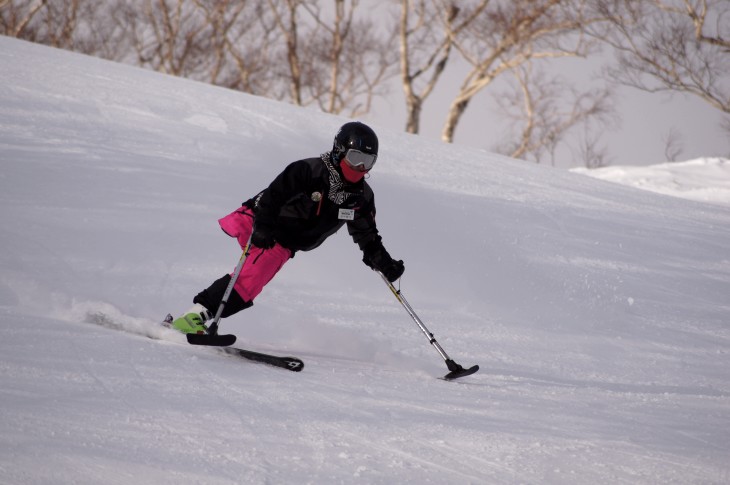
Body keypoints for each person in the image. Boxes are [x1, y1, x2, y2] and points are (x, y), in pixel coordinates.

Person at [170, 121, 405, 334]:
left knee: (252, 283)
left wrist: (383, 262)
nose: (361, 167)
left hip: (287, 242)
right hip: (264, 223)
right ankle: (192, 318)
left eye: (369, 161)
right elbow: (272, 197)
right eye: (355, 158)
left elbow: (367, 235)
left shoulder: (361, 197)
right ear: (339, 150)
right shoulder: (308, 171)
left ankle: (198, 315)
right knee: (250, 279)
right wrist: (262, 226)